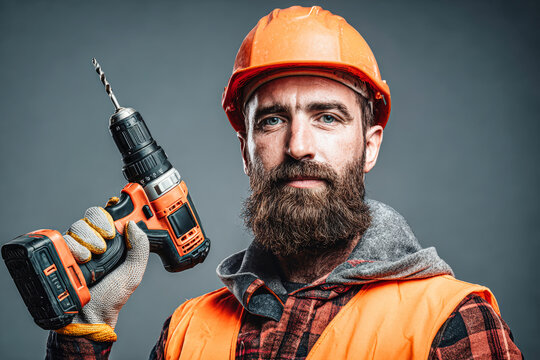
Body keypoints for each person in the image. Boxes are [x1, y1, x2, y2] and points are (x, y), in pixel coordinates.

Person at [45, 6, 522, 359]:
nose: (298, 146)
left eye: (328, 117)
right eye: (272, 120)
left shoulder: (450, 320)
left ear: (370, 145)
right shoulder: (187, 332)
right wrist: (83, 331)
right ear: (245, 151)